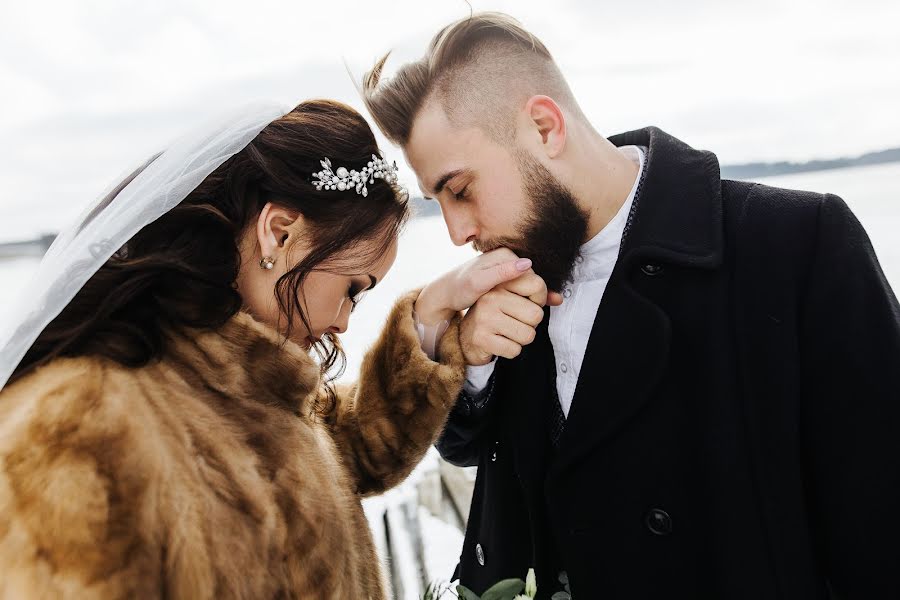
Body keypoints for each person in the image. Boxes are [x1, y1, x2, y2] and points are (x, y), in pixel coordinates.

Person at [362, 12, 900, 599]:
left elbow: (880, 519)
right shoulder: (512, 271)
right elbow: (469, 451)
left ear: (544, 127)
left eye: (461, 190)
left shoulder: (796, 242)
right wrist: (467, 356)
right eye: (440, 201)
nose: (457, 232)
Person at [0, 98, 544, 599]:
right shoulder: (75, 427)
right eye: (353, 289)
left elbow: (345, 450)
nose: (342, 324)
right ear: (279, 234)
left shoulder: (254, 389)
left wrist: (433, 320)